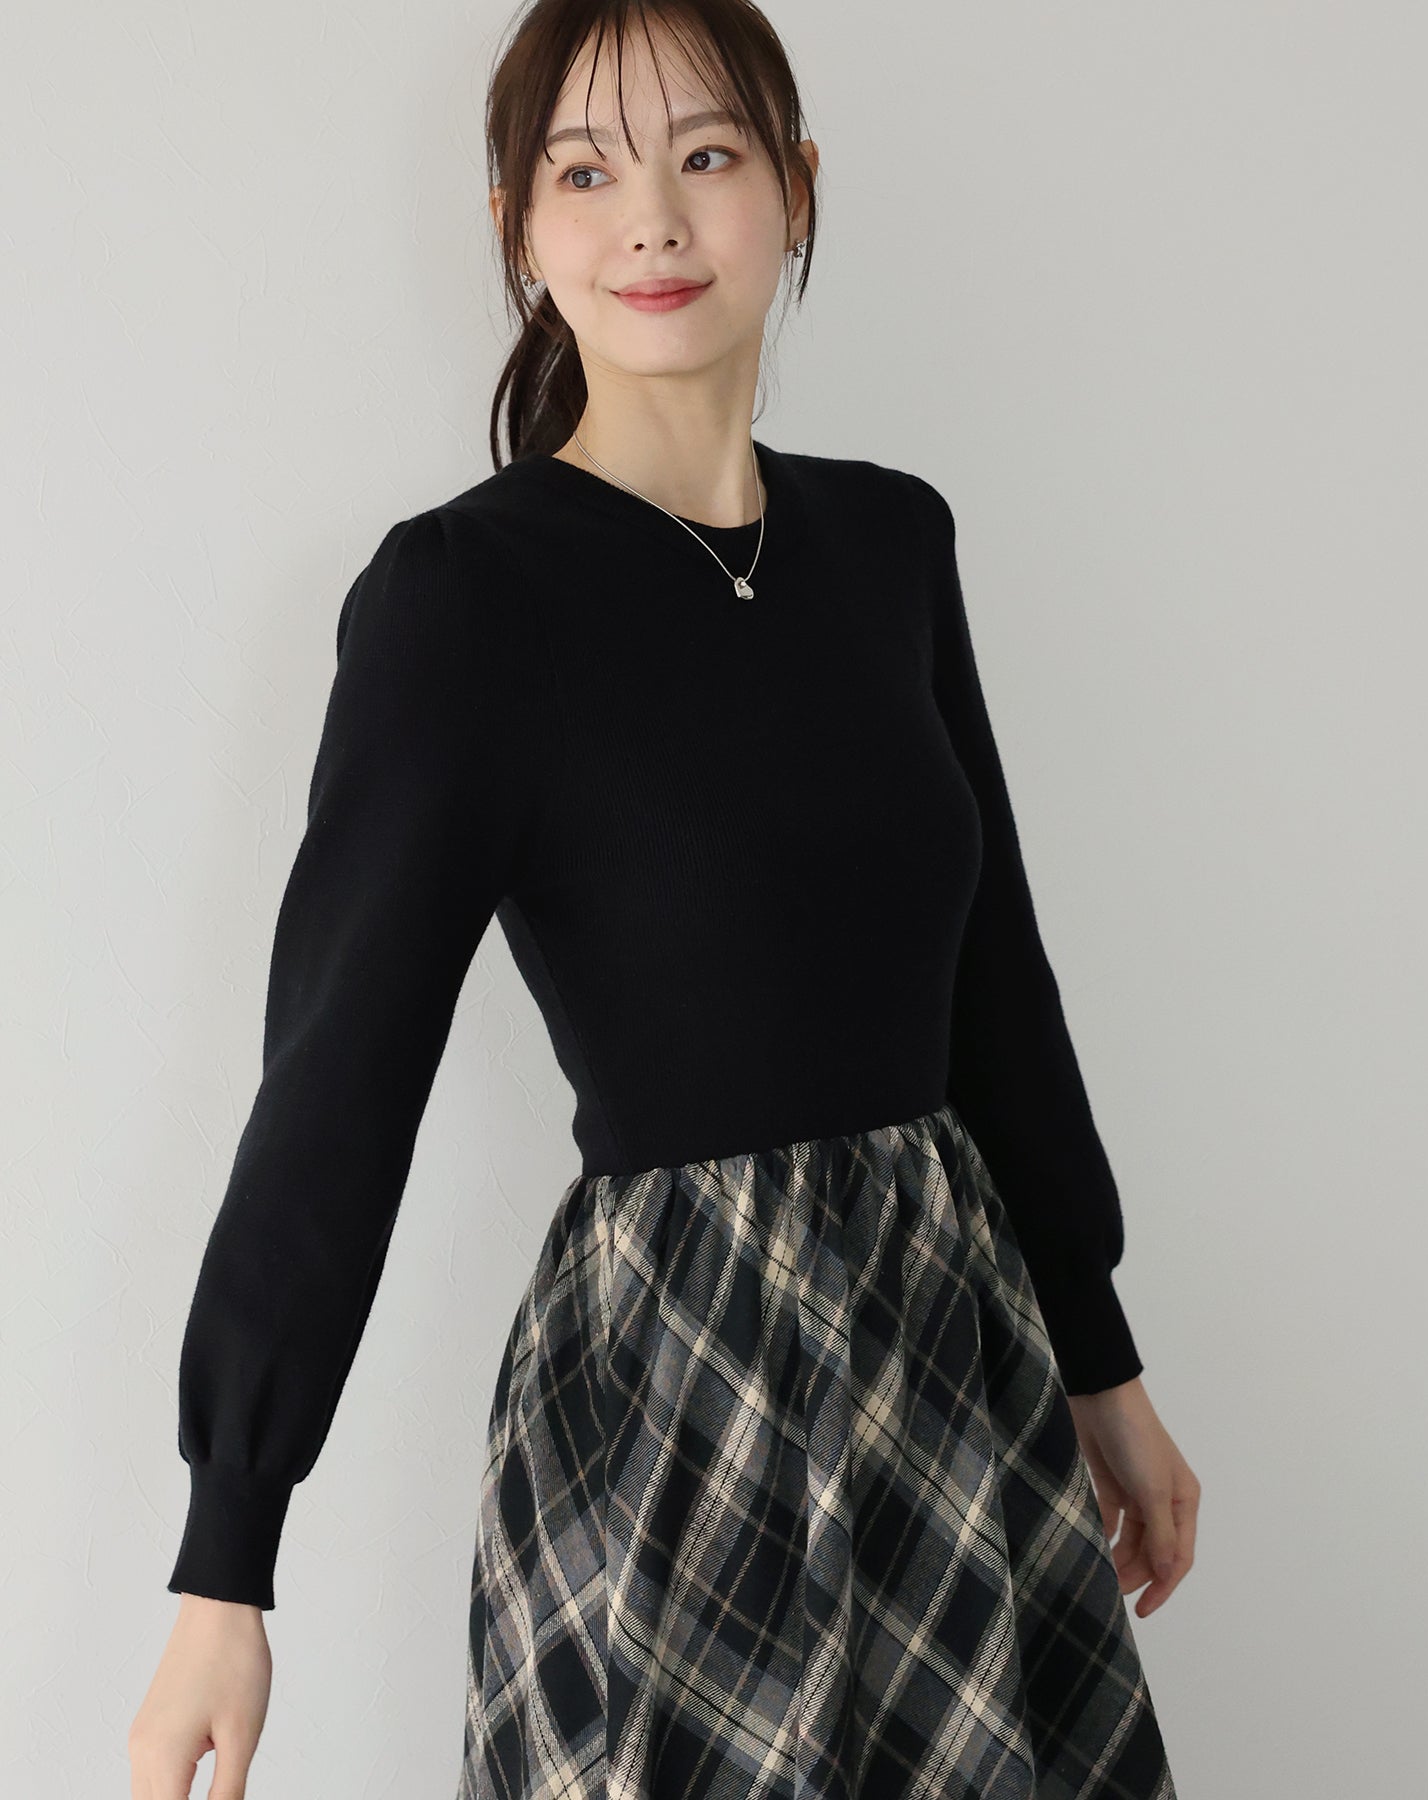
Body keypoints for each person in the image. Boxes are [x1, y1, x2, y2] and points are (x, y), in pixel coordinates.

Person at [129, 2, 1199, 1795]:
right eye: (584, 172)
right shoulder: (463, 602)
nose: (652, 221)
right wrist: (224, 1564)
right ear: (517, 228)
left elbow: (995, 986)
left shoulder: (892, 543)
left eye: (707, 155)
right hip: (681, 1399)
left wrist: (1103, 1362)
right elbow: (337, 1083)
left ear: (796, 190)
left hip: (955, 1357)